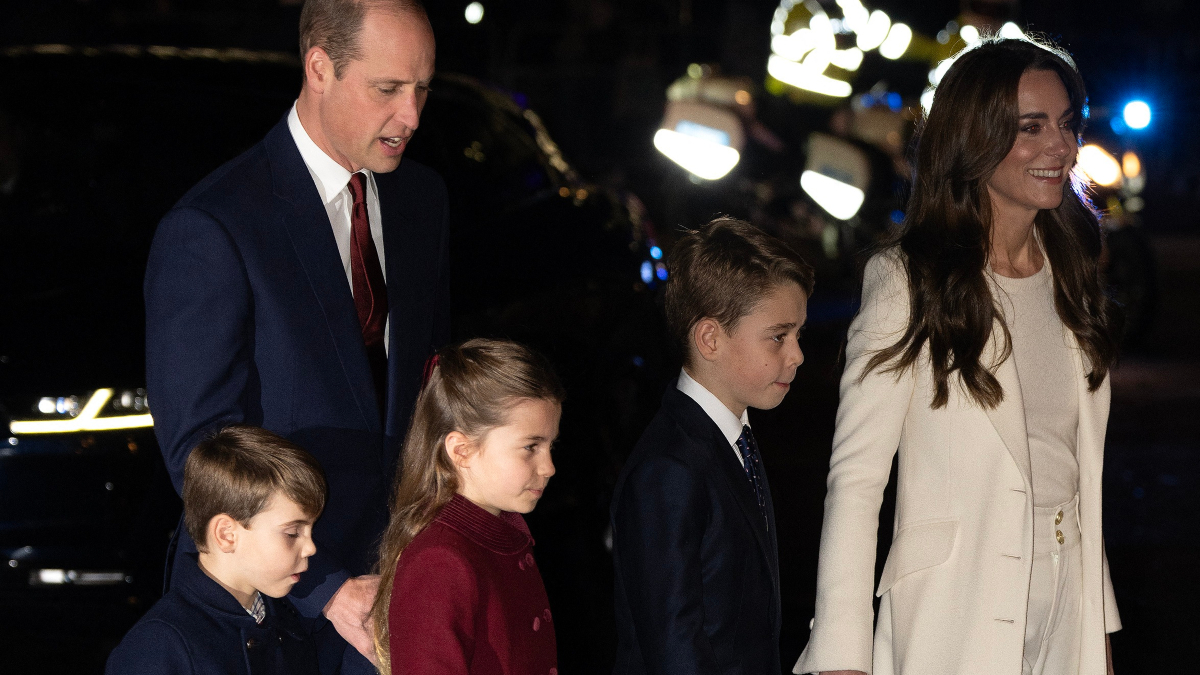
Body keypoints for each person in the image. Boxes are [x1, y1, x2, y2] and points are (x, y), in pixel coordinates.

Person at [794, 37, 1121, 675]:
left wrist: (1098, 634)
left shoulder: (1070, 276)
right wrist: (841, 655)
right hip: (952, 617)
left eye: (1066, 124)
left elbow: (1076, 480)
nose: (1060, 146)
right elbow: (857, 481)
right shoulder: (908, 281)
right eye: (1031, 127)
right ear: (975, 139)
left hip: (1065, 612)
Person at [143, 1, 447, 671]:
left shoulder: (421, 200)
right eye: (388, 88)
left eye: (423, 89)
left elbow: (425, 392)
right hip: (271, 611)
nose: (412, 116)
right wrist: (327, 587)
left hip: (393, 589)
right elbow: (201, 451)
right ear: (319, 68)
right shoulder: (214, 226)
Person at [610, 217, 815, 675]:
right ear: (709, 339)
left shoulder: (734, 439)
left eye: (798, 335)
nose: (797, 354)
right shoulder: (669, 470)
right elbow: (674, 646)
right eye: (778, 336)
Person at [367, 339, 565, 675]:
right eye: (531, 447)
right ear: (461, 451)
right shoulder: (440, 560)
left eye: (551, 446)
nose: (549, 468)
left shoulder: (499, 537)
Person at [106, 426, 325, 675]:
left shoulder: (288, 628)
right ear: (226, 535)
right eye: (292, 533)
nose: (311, 548)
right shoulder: (159, 647)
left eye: (311, 530)